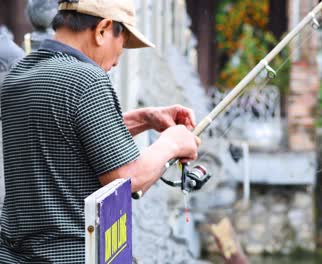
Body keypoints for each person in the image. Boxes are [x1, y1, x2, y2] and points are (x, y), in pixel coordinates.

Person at [0, 0, 200, 262]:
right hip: (76, 255)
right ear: (103, 29)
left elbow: (69, 134)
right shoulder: (86, 79)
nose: (117, 62)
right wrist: (174, 142)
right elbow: (128, 177)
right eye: (122, 44)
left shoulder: (21, 74)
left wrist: (145, 117)